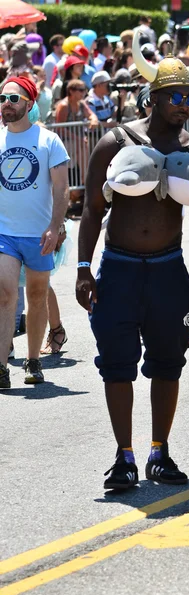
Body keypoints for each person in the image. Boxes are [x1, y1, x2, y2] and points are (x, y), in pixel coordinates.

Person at [75, 32, 189, 490]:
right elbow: (90, 212)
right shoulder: (115, 143)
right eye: (177, 96)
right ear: (154, 97)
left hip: (167, 271)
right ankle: (124, 457)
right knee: (116, 363)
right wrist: (84, 269)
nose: (186, 103)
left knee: (168, 361)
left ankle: (159, 453)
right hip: (119, 268)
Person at [0, 76, 69, 388]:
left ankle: (33, 361)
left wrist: (55, 227)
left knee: (37, 296)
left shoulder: (48, 141)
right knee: (4, 293)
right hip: (5, 233)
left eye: (13, 99)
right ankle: (1, 366)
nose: (6, 104)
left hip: (39, 234)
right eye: (2, 98)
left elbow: (61, 189)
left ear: (28, 103)